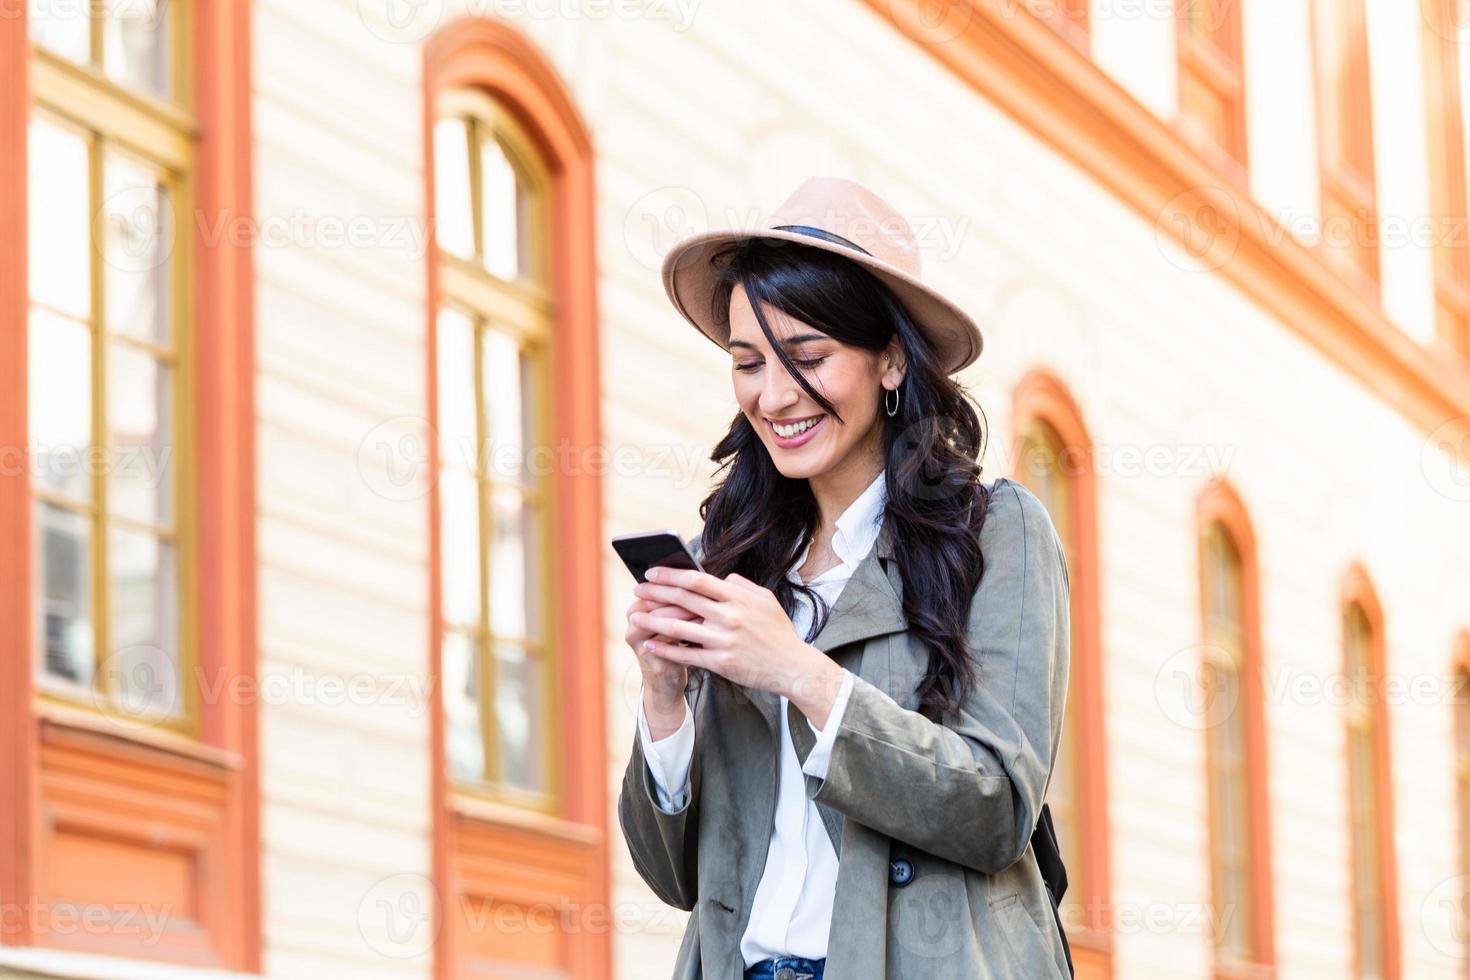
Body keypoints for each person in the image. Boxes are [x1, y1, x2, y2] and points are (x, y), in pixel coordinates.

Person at [618, 176, 1072, 980]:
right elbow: (676, 880)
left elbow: (999, 805)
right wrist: (662, 700)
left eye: (809, 357)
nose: (774, 395)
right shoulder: (734, 558)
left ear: (891, 360)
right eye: (748, 362)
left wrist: (795, 669)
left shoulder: (998, 534)